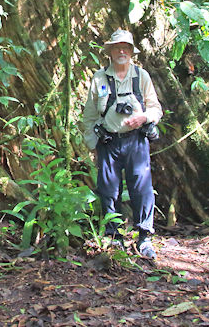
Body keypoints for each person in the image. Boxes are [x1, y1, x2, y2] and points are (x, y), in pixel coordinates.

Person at [82, 29, 163, 259]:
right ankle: (114, 236)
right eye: (117, 47)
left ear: (131, 52)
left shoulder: (141, 76)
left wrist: (144, 118)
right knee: (108, 189)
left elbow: (156, 108)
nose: (121, 51)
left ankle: (144, 237)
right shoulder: (99, 78)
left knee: (142, 188)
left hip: (136, 141)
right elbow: (88, 116)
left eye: (125, 48)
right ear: (109, 52)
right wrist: (93, 144)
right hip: (108, 142)